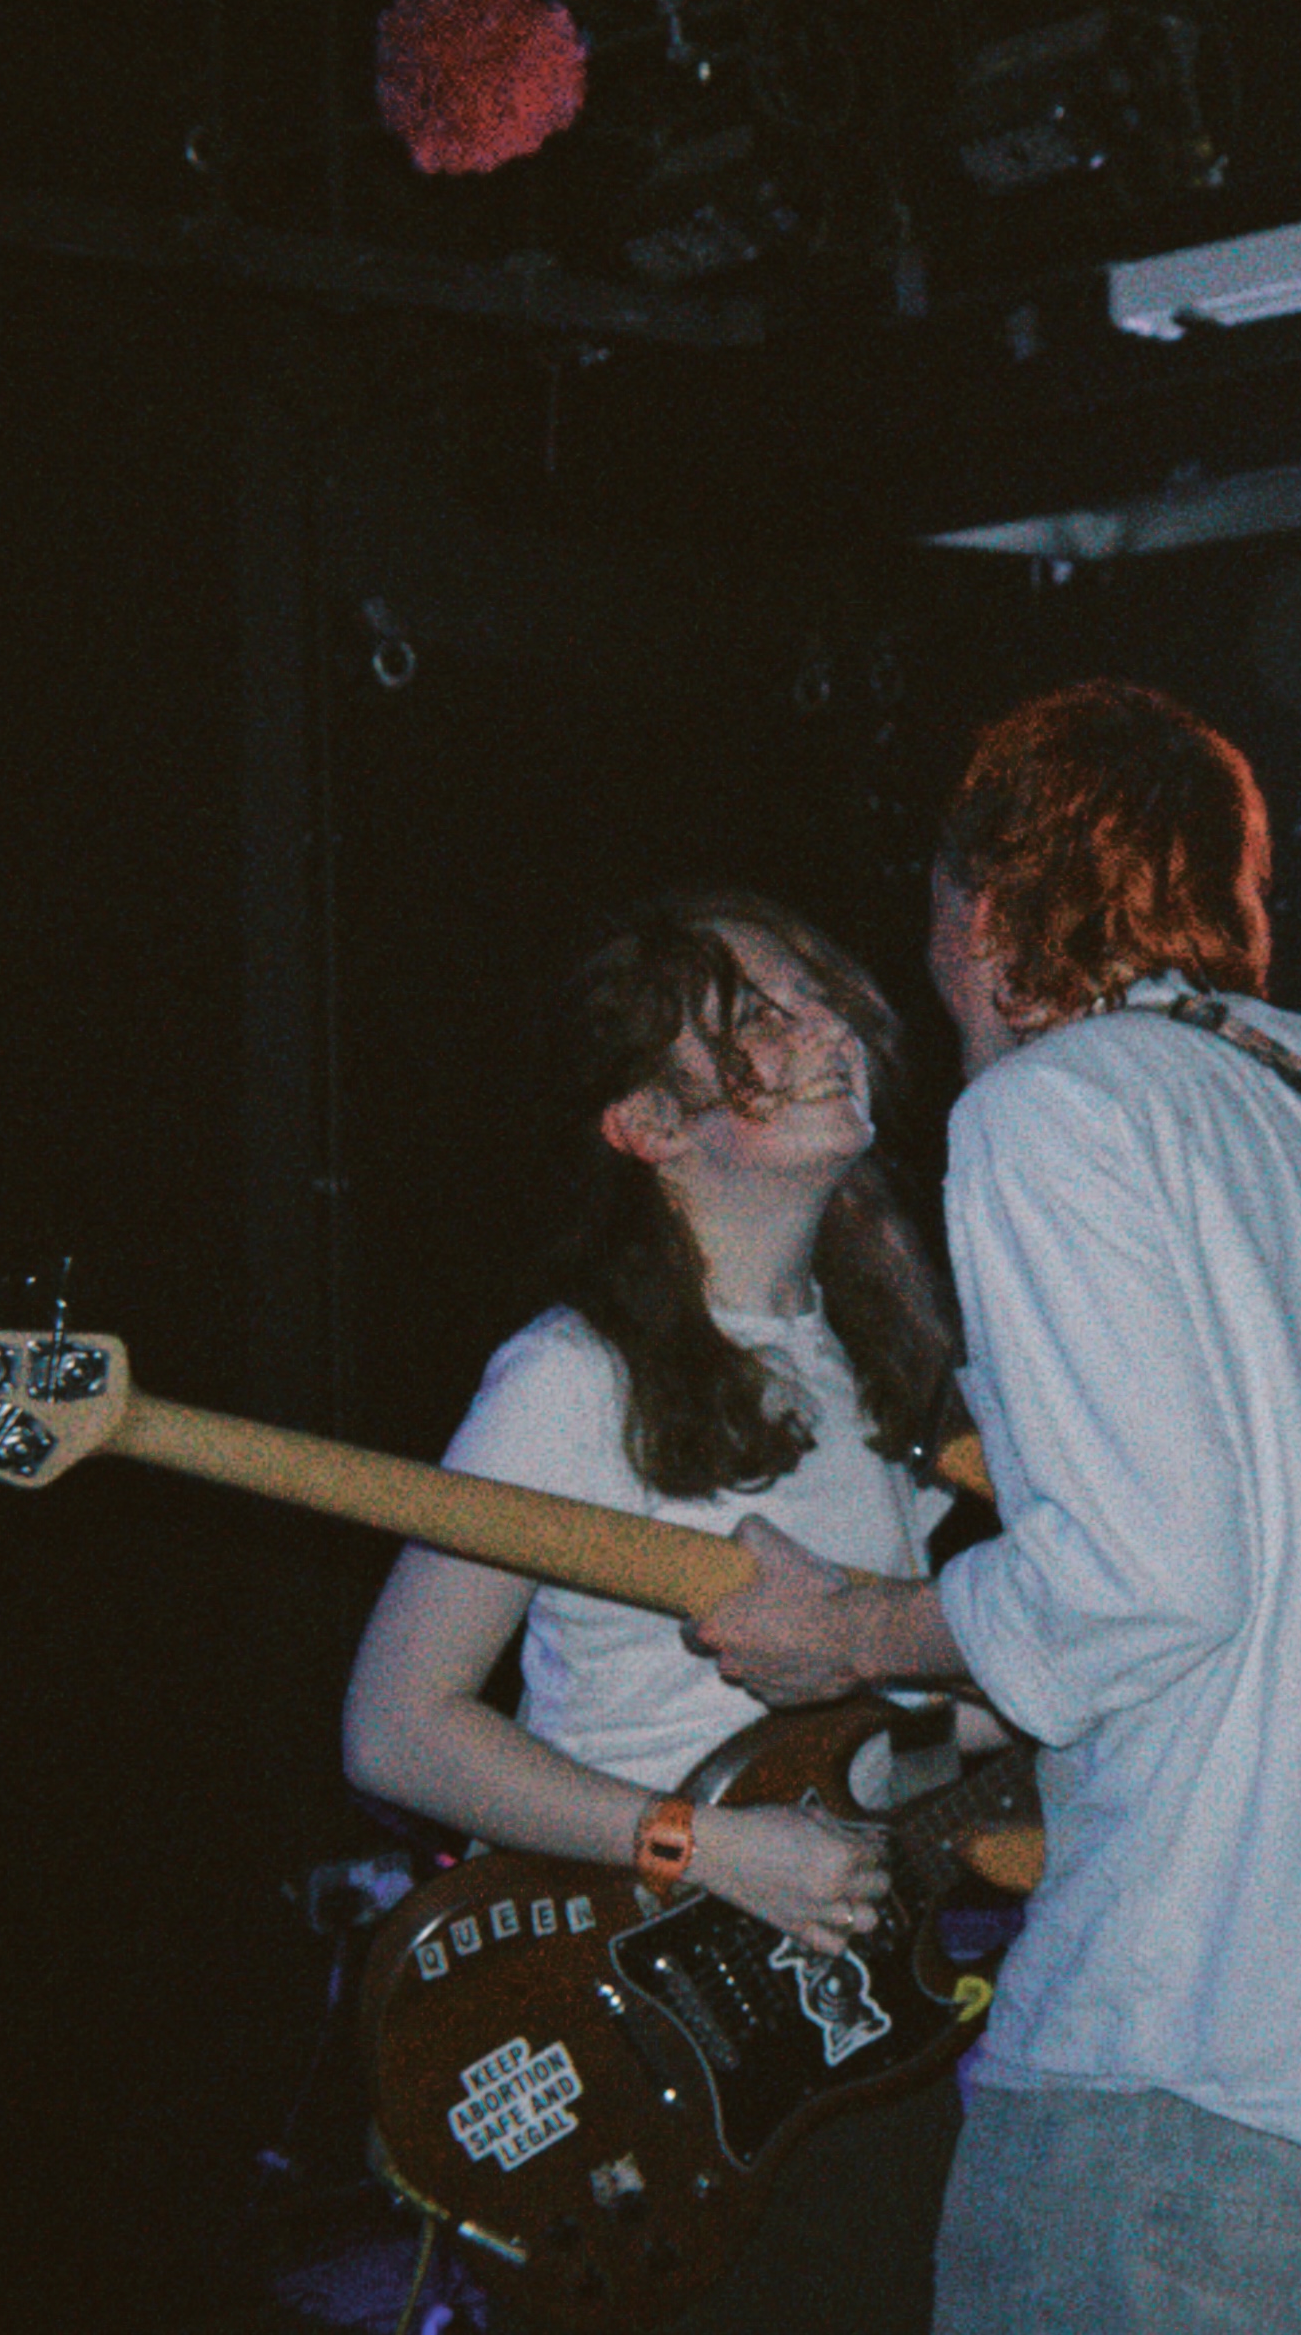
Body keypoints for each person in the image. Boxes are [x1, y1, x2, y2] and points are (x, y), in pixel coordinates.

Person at [690, 679, 1301, 2335]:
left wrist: (847, 1628)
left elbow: (1138, 1581)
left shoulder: (1052, 1111)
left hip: (1212, 2024)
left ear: (983, 909)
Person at [339, 890, 970, 2335]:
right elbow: (395, 1726)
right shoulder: (573, 1379)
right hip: (641, 2046)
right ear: (649, 1124)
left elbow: (904, 1722)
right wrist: (708, 1848)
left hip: (855, 2046)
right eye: (755, 1018)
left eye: (816, 993)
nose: (824, 1027)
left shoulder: (878, 1356)